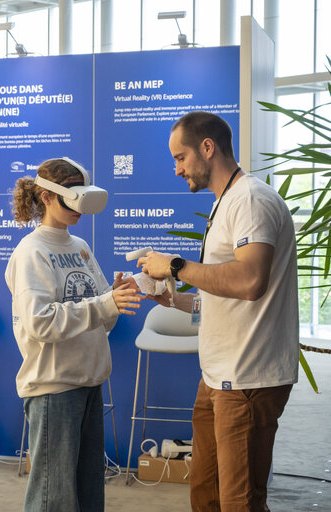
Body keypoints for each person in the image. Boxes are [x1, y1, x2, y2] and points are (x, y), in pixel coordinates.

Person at [139, 111, 299, 511]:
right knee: (206, 495)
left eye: (180, 158)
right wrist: (171, 298)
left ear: (207, 148)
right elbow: (221, 295)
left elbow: (249, 281)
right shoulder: (226, 202)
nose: (176, 170)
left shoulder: (250, 199)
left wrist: (175, 266)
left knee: (239, 503)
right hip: (217, 378)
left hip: (247, 379)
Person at [5, 157, 143, 512]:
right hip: (54, 388)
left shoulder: (79, 246)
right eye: (72, 192)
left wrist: (114, 299)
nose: (81, 204)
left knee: (87, 493)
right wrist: (102, 304)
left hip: (89, 382)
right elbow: (40, 323)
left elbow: (103, 322)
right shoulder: (31, 252)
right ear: (47, 197)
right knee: (53, 497)